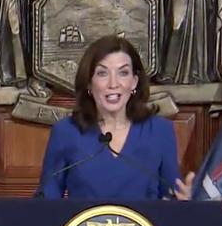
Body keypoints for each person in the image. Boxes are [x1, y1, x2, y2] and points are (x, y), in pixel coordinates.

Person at [37, 35, 194, 200]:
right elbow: (46, 203)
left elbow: (171, 199)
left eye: (123, 73)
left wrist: (185, 200)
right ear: (89, 83)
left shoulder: (160, 131)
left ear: (134, 82)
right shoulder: (66, 132)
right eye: (102, 73)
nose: (113, 83)